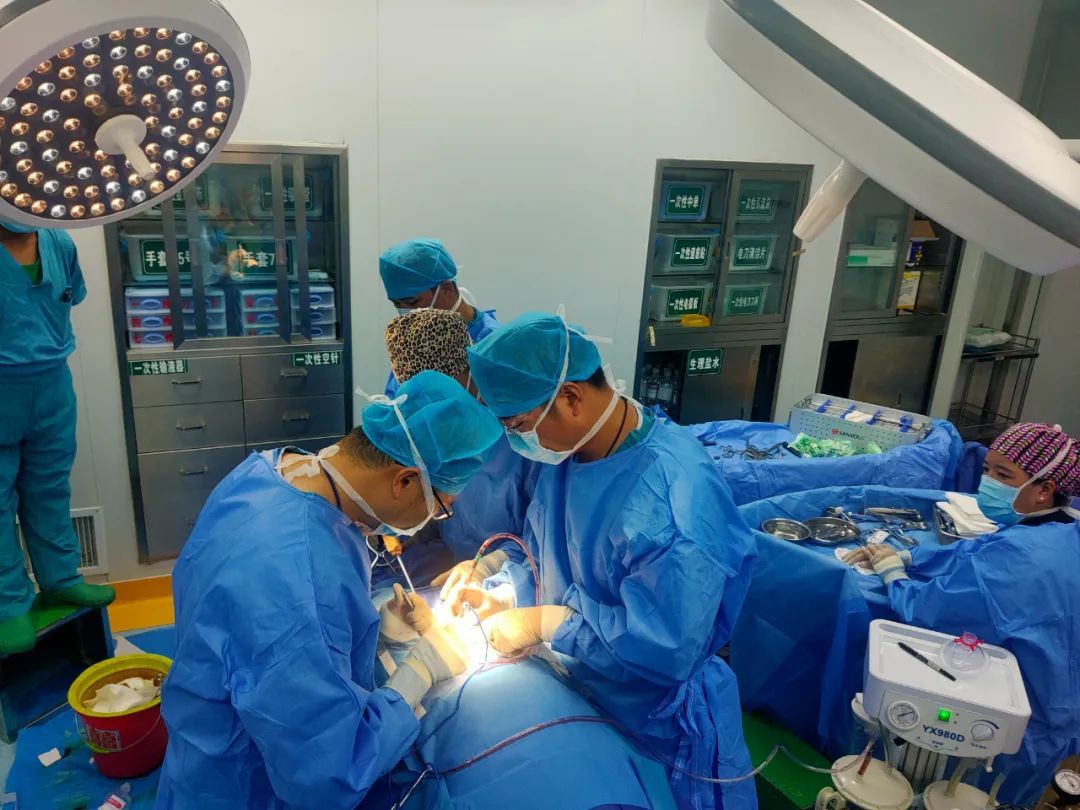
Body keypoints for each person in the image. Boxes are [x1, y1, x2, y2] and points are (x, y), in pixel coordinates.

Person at [443, 310, 759, 810]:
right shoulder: (572, 456)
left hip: (659, 725)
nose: (518, 443)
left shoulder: (672, 498)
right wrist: (503, 591)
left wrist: (550, 623)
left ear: (570, 398)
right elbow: (550, 555)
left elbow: (668, 646)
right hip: (585, 694)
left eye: (519, 426)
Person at [155, 371, 503, 809]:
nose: (433, 520)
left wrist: (366, 630)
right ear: (405, 480)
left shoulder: (267, 471)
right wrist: (419, 673)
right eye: (440, 508)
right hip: (246, 784)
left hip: (198, 739)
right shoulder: (301, 580)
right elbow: (327, 773)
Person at [845, 422, 1080, 804]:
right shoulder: (1061, 527)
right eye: (986, 469)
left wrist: (895, 578)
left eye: (1003, 475)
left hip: (1020, 718)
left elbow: (934, 613)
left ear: (1044, 489)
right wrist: (911, 556)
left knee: (963, 794)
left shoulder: (1023, 560)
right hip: (1058, 706)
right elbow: (976, 551)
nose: (988, 482)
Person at [0, 222, 114, 654]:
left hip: (51, 383)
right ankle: (8, 604)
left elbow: (69, 297)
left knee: (50, 488)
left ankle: (61, 579)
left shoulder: (57, 242)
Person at [377, 309, 539, 585]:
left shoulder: (524, 431)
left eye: (439, 397)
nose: (435, 414)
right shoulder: (435, 428)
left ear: (467, 372)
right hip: (456, 565)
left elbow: (550, 538)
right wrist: (398, 522)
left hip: (519, 578)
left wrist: (491, 568)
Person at [378, 237, 499, 397]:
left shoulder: (491, 343)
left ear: (447, 288)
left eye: (412, 302)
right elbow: (396, 396)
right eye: (396, 304)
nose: (406, 312)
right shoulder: (414, 339)